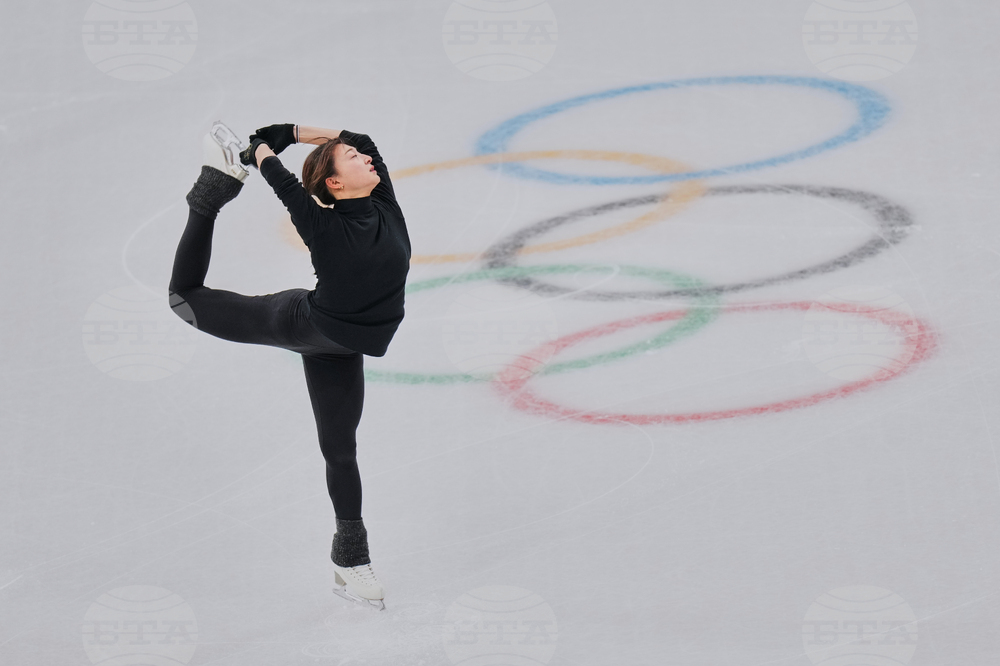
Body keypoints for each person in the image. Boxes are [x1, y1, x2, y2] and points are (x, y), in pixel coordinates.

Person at [168, 122, 411, 610]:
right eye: (350, 159)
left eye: (360, 157)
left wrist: (300, 132)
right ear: (334, 185)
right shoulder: (320, 222)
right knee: (183, 299)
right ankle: (208, 196)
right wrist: (261, 150)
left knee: (340, 449)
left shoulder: (385, 206)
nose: (365, 159)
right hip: (300, 322)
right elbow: (277, 176)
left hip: (340, 348)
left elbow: (364, 140)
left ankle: (350, 560)